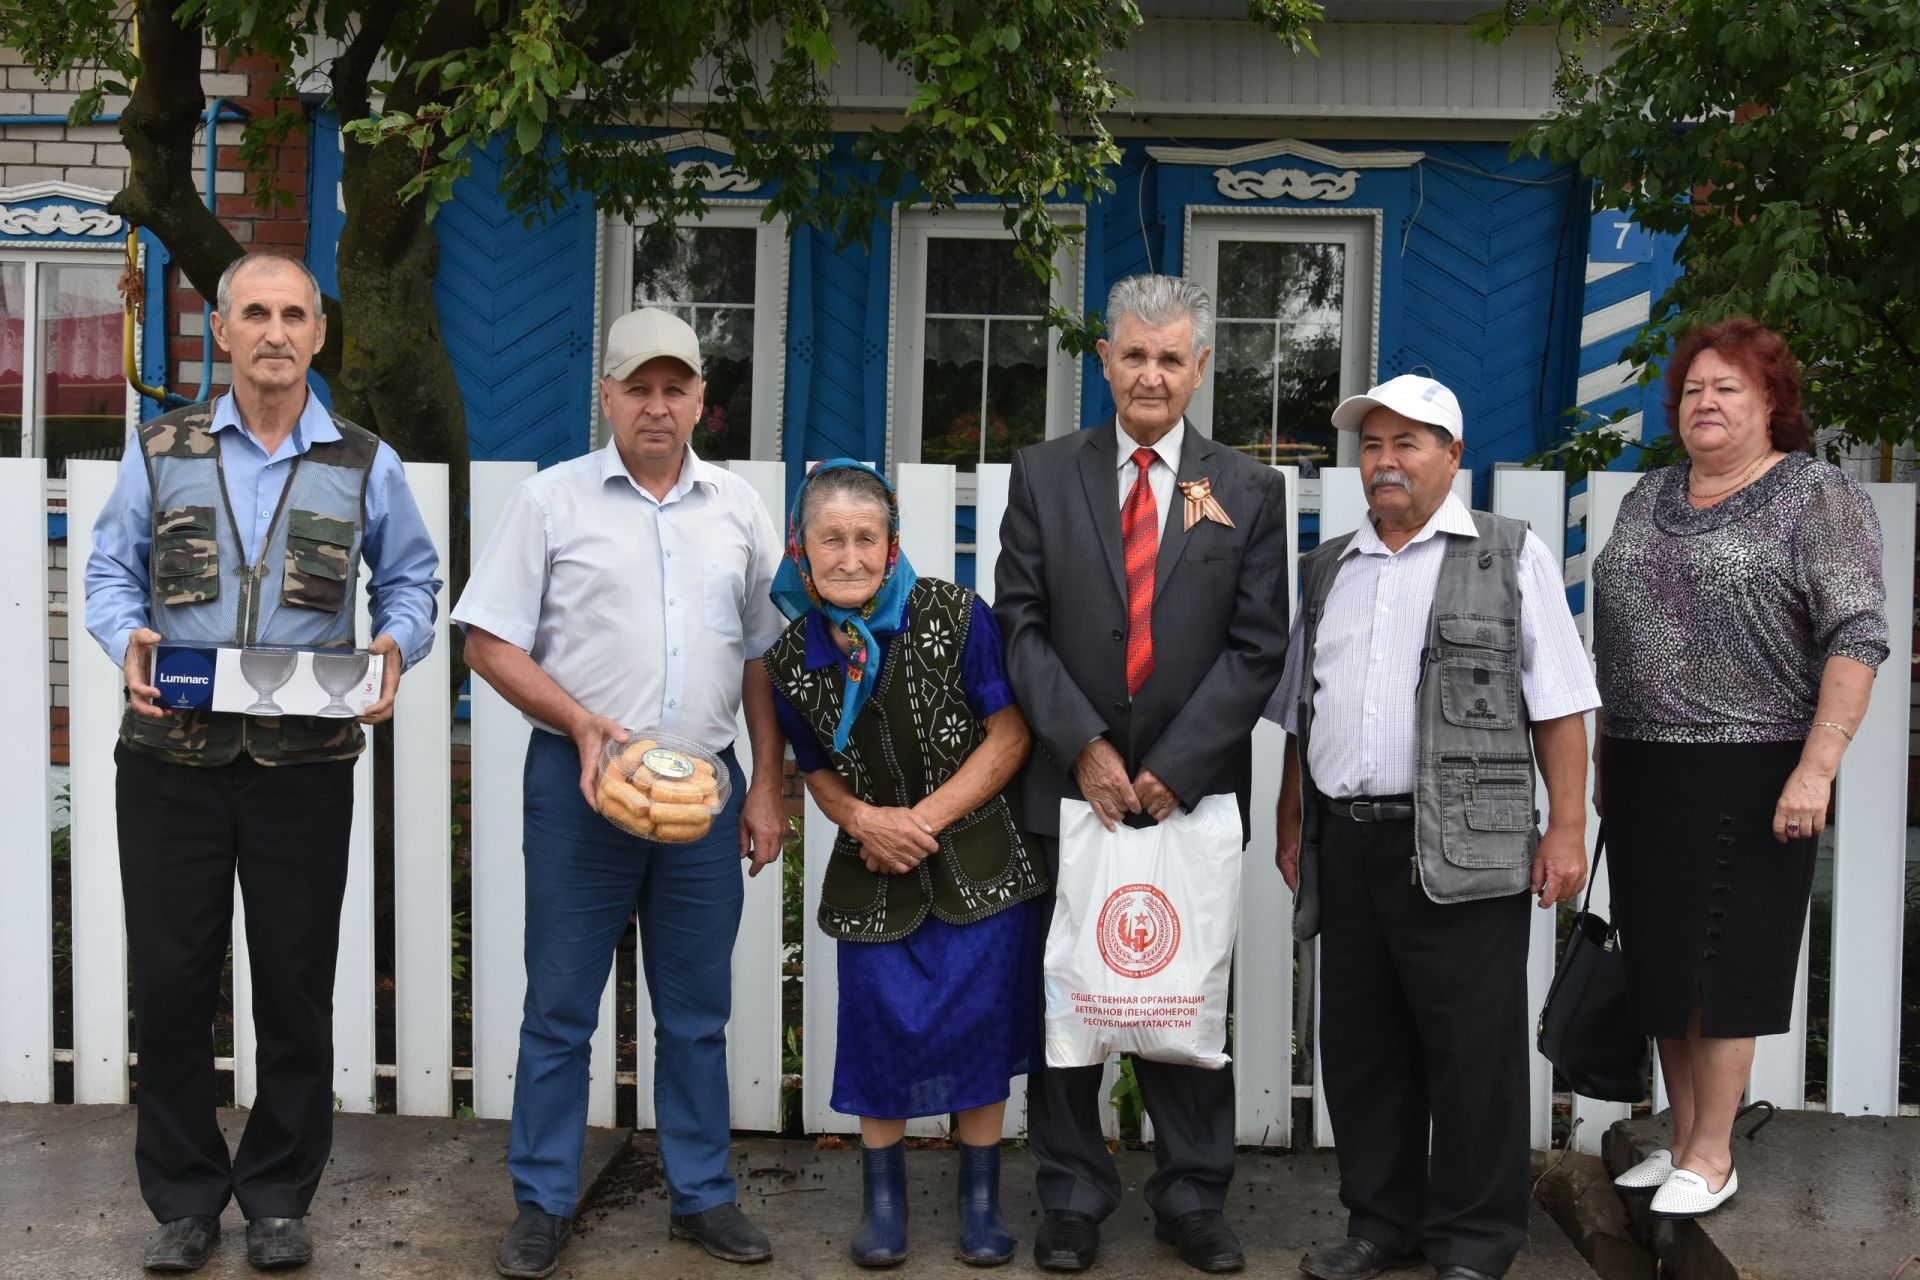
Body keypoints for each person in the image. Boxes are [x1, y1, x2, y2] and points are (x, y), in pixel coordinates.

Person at [84, 251, 442, 1273]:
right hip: (169, 761)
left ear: (319, 334)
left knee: (293, 983)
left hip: (305, 764)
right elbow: (111, 569)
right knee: (172, 977)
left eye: (294, 313)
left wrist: (395, 642)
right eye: (256, 313)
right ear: (223, 332)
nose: (276, 331)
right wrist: (127, 636)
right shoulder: (161, 450)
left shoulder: (363, 460)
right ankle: (187, 1197)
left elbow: (412, 578)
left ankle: (280, 1193)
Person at [455, 308, 789, 1278]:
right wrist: (581, 722)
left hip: (705, 789)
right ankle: (544, 1198)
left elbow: (763, 658)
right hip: (581, 782)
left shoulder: (736, 508)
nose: (655, 405)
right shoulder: (553, 502)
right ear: (604, 395)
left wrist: (767, 785)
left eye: (673, 388)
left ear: (699, 402)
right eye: (636, 387)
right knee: (560, 1004)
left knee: (696, 1007)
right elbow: (488, 642)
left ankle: (703, 1194)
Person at [1270, 374, 1599, 1280]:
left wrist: (1566, 827)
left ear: (1452, 457)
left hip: (1466, 844)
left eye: (1407, 444)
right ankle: (1381, 1224)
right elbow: (1306, 708)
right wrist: (1292, 816)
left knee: (1471, 1052)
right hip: (1350, 839)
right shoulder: (1328, 566)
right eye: (1371, 446)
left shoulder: (1509, 554)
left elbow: (1562, 705)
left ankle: (1475, 1239)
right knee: (1364, 1048)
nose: (1385, 462)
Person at [995, 273, 1291, 1275]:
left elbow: (1258, 647)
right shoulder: (1042, 474)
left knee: (1184, 990)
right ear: (1105, 359)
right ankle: (1073, 1193)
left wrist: (1173, 766)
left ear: (1200, 366)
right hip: (1069, 789)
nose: (1151, 375)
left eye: (1172, 357)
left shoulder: (1248, 490)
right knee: (1071, 990)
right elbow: (1019, 624)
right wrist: (1082, 742)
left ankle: (1192, 1194)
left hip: (1190, 794)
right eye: (1134, 354)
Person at [1593, 319, 1885, 1220]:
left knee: (1722, 968)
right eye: (1692, 390)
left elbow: (1858, 633)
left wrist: (1818, 766)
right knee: (1663, 968)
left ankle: (1715, 1157)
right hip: (1642, 763)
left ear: (1770, 405)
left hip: (1754, 765)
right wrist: (1604, 757)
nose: (1705, 403)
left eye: (1728, 388)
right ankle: (1682, 1143)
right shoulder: (1649, 496)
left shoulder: (1814, 493)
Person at [763, 459, 1047, 1268]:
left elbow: (1012, 735)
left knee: (980, 1028)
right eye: (831, 540)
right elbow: (813, 765)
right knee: (879, 1028)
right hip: (874, 873)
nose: (850, 556)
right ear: (802, 548)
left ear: (892, 547)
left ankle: (980, 1204)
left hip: (981, 865)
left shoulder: (957, 616)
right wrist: (859, 819)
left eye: (866, 538)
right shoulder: (793, 657)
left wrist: (918, 821)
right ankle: (883, 1205)